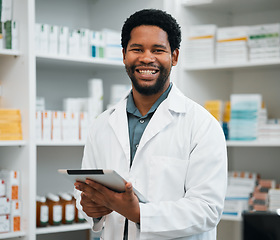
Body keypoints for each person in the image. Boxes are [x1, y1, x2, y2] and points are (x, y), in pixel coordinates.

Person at [74, 8, 227, 240]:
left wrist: (139, 213)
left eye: (158, 50)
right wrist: (91, 210)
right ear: (124, 54)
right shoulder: (102, 124)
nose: (146, 58)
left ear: (174, 57)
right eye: (137, 49)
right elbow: (87, 191)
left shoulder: (202, 126)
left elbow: (207, 210)